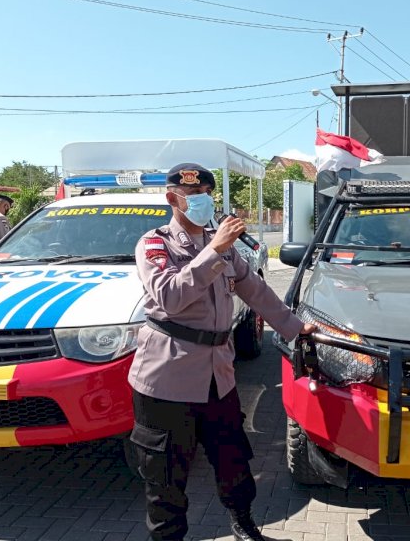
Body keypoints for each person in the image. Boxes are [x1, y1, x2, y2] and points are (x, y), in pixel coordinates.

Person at [129, 163, 315, 541]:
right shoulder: (155, 243)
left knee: (233, 458)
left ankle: (244, 525)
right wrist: (213, 250)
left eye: (208, 195)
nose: (204, 202)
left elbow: (255, 290)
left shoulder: (225, 247)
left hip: (218, 374)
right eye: (194, 196)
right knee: (165, 472)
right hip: (167, 377)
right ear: (172, 199)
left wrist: (295, 328)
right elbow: (170, 297)